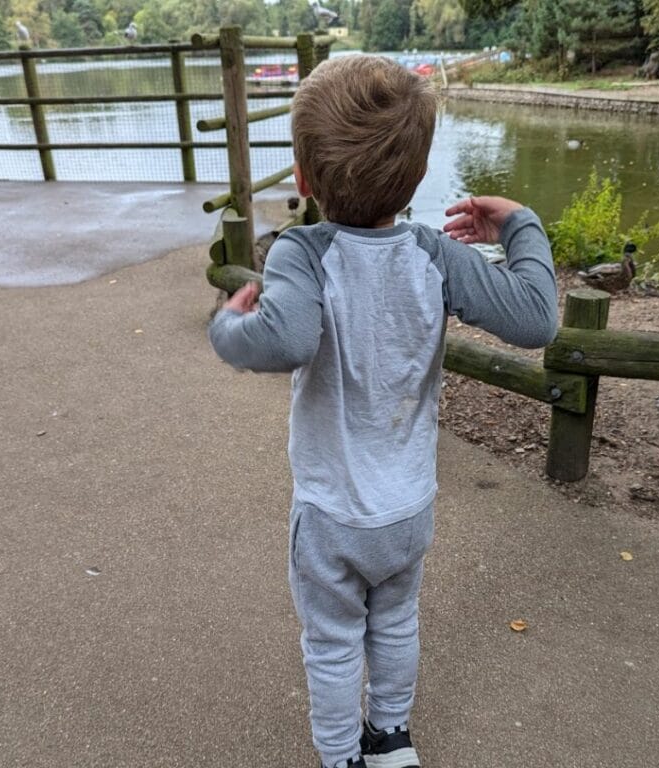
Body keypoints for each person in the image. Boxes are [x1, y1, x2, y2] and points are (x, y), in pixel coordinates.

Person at [208, 54, 558, 768]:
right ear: (418, 177)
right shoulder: (434, 255)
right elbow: (534, 318)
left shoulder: (302, 253)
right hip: (407, 508)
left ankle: (341, 756)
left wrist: (227, 327)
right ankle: (391, 738)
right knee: (396, 619)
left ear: (304, 180)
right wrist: (521, 224)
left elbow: (286, 337)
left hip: (333, 511)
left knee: (334, 642)